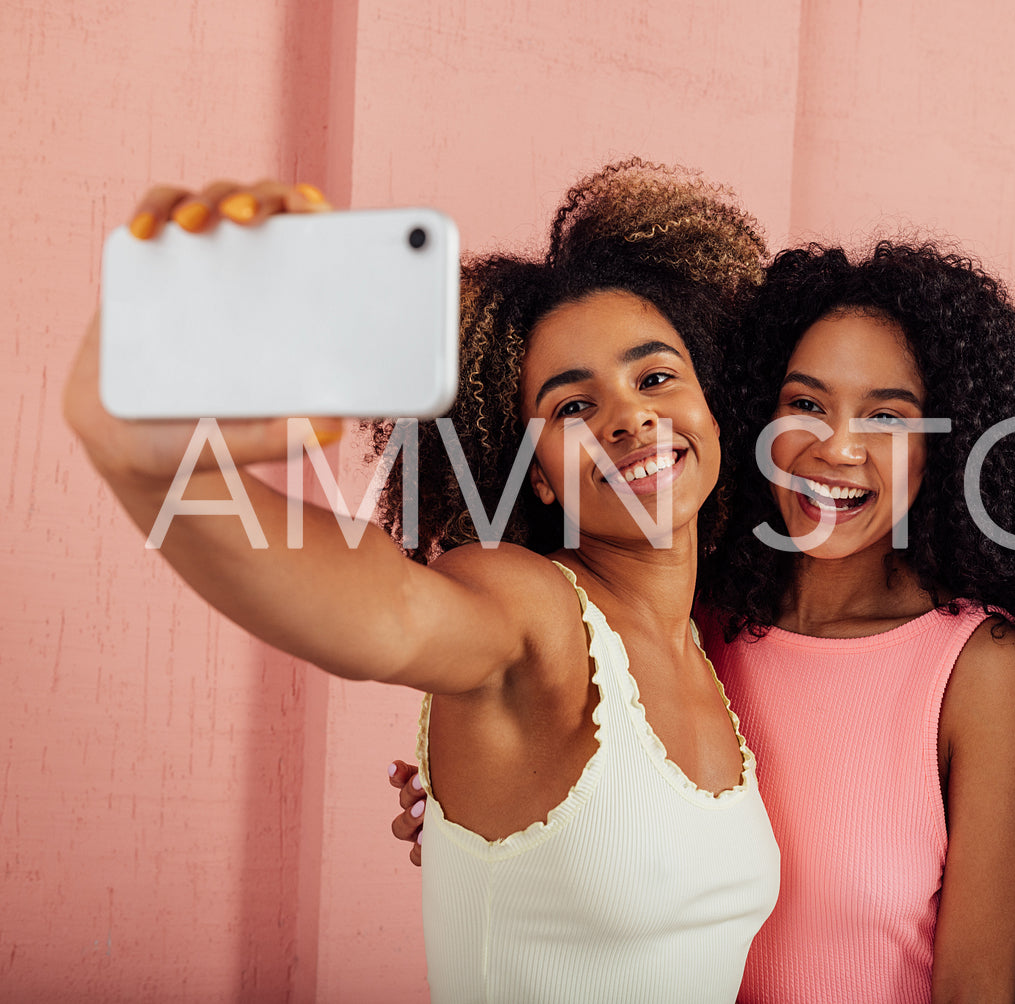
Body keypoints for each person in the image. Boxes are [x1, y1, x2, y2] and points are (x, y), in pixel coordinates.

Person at [66, 159, 781, 1003]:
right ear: (539, 476)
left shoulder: (711, 650)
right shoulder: (530, 610)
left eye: (655, 376)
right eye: (572, 407)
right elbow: (394, 613)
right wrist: (150, 461)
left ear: (711, 409)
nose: (628, 415)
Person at [397, 240, 1015, 1002]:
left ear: (948, 449)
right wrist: (480, 820)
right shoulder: (680, 626)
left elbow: (976, 988)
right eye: (804, 405)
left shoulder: (980, 668)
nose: (835, 447)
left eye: (887, 418)